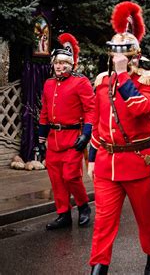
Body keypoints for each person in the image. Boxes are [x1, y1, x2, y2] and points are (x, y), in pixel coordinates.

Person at [88, 2, 150, 274]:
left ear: (136, 55)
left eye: (127, 56)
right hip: (107, 163)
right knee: (104, 221)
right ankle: (99, 267)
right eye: (117, 55)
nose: (121, 60)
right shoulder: (101, 81)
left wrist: (122, 75)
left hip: (138, 161)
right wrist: (93, 156)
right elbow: (98, 123)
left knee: (146, 219)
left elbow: (140, 107)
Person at [38, 33, 94, 231]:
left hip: (73, 137)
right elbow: (44, 111)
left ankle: (83, 206)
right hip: (53, 139)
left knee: (71, 176)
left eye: (64, 63)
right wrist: (41, 137)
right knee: (56, 178)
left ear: (71, 65)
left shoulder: (81, 82)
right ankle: (63, 214)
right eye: (57, 63)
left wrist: (86, 134)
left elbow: (90, 110)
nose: (60, 66)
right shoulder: (48, 84)